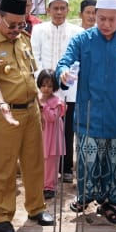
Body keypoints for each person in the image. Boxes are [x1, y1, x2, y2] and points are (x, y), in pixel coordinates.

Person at [57, 0, 116, 224]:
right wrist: (63, 73)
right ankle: (86, 197)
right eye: (100, 18)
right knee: (87, 160)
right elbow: (65, 63)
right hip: (89, 113)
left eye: (111, 19)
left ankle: (111, 203)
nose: (105, 24)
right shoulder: (82, 40)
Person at [0, 0, 54, 232]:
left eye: (22, 24)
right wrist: (2, 105)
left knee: (34, 163)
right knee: (3, 168)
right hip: (2, 114)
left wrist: (39, 103)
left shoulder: (24, 39)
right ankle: (2, 216)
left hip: (30, 110)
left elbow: (31, 74)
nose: (17, 30)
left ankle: (36, 208)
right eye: (12, 25)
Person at [32, 0, 83, 183]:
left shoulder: (77, 31)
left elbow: (77, 60)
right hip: (43, 87)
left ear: (68, 10)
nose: (59, 12)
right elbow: (34, 57)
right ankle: (44, 169)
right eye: (55, 8)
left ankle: (67, 166)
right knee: (44, 128)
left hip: (68, 87)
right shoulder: (38, 30)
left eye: (63, 8)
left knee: (67, 129)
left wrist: (66, 79)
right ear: (48, 10)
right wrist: (43, 82)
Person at [37, 70, 66, 199]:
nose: (46, 89)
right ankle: (41, 184)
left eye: (49, 86)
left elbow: (53, 117)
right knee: (40, 160)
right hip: (41, 134)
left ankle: (50, 187)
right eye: (43, 85)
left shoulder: (58, 101)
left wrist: (43, 107)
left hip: (53, 136)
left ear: (54, 86)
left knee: (51, 162)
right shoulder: (37, 98)